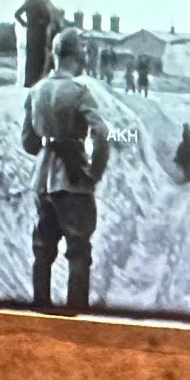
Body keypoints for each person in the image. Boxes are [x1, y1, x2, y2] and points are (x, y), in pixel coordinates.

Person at [21, 30, 110, 312]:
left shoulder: (36, 91)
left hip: (42, 180)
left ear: (55, 55)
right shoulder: (79, 92)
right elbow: (101, 133)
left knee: (42, 250)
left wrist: (49, 144)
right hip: (72, 180)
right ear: (77, 56)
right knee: (78, 252)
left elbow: (28, 143)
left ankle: (40, 311)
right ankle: (76, 314)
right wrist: (94, 172)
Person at [14, 0, 57, 87]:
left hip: (30, 33)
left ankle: (28, 82)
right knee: (39, 58)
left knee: (30, 57)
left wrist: (25, 24)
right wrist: (42, 23)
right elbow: (48, 18)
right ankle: (37, 82)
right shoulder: (41, 3)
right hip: (40, 33)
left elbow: (17, 14)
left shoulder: (29, 0)